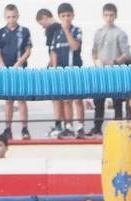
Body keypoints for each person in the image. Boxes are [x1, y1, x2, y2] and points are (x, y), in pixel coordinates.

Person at [90, 3, 130, 138]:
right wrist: (96, 63)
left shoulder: (120, 33)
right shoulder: (98, 32)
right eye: (106, 15)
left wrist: (113, 62)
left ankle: (118, 128)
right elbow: (94, 50)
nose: (108, 18)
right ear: (103, 16)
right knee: (98, 101)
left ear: (115, 16)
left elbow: (126, 54)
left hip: (115, 72)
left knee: (117, 101)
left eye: (111, 15)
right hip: (101, 73)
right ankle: (97, 128)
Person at [0, 4, 31, 139]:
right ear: (5, 17)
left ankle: (24, 129)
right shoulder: (0, 32)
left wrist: (18, 63)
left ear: (18, 16)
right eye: (9, 17)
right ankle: (7, 129)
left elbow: (28, 51)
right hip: (7, 71)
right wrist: (3, 67)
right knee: (8, 100)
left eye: (14, 17)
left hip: (20, 69)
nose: (11, 20)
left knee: (21, 99)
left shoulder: (24, 31)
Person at [49, 3, 84, 138]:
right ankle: (68, 126)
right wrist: (54, 68)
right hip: (62, 71)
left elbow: (75, 47)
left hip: (75, 69)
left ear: (73, 16)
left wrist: (67, 31)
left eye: (68, 15)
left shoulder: (77, 31)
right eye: (63, 16)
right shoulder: (57, 34)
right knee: (66, 100)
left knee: (78, 99)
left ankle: (80, 126)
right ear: (59, 17)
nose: (66, 18)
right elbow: (53, 52)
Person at [36, 9, 64, 139]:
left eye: (42, 24)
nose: (43, 27)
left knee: (56, 96)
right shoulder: (61, 27)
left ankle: (58, 124)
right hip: (60, 64)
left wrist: (52, 64)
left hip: (55, 65)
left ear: (45, 18)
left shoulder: (51, 29)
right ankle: (63, 124)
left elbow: (52, 50)